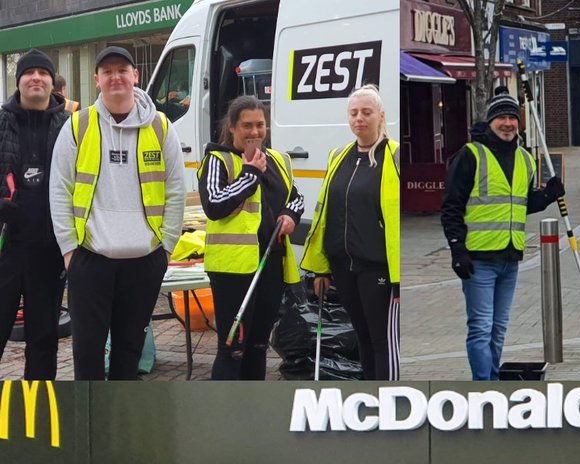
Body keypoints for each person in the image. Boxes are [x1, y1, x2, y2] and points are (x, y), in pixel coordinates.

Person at [49, 46, 185, 381]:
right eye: (107, 72)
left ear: (135, 75)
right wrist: (69, 250)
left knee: (129, 353)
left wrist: (165, 248)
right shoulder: (78, 126)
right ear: (97, 80)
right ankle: (92, 428)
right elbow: (59, 189)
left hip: (144, 261)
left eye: (122, 70)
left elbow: (176, 189)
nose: (115, 77)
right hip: (90, 258)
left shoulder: (160, 126)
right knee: (87, 353)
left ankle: (120, 425)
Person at [441, 93, 564, 381]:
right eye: (501, 118)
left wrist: (547, 195)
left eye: (512, 118)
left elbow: (522, 204)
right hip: (478, 259)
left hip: (510, 258)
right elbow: (451, 207)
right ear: (490, 121)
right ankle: (485, 387)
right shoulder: (471, 155)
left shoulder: (525, 159)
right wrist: (457, 249)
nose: (507, 123)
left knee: (498, 329)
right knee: (481, 328)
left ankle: (492, 381)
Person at [200, 95, 302, 380]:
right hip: (232, 270)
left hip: (270, 264)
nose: (255, 132)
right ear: (232, 127)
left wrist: (290, 216)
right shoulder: (218, 160)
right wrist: (249, 174)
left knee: (258, 346)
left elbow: (295, 197)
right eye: (247, 125)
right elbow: (214, 205)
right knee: (233, 347)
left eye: (260, 125)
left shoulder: (278, 160)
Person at [301, 86, 400, 380]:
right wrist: (321, 268)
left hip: (377, 268)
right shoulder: (339, 156)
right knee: (363, 339)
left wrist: (397, 280)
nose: (359, 119)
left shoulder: (393, 157)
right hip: (344, 267)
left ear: (381, 116)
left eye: (366, 112)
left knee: (383, 343)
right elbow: (325, 215)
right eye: (354, 112)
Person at [0, 51, 70, 380]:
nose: (36, 78)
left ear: (52, 81)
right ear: (19, 81)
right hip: (7, 249)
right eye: (29, 73)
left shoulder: (70, 126)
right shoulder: (1, 121)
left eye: (43, 72)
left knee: (43, 339)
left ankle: (38, 410)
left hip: (49, 252)